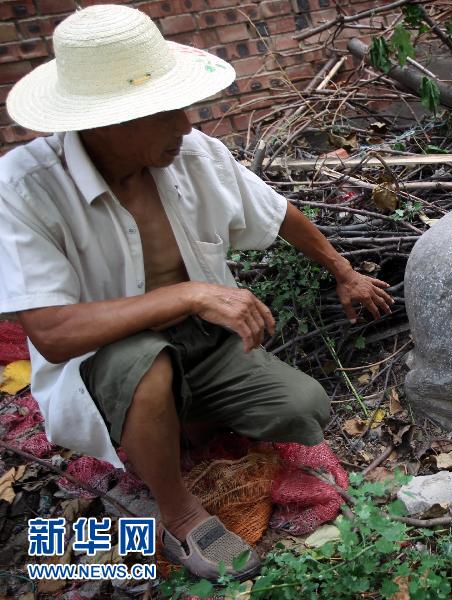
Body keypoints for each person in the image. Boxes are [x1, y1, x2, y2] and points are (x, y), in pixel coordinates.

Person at [0, 4, 392, 580]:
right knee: (144, 362)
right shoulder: (24, 188)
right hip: (106, 361)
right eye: (169, 112)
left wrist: (344, 271)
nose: (186, 125)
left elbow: (275, 211)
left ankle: (179, 423)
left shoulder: (194, 155)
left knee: (301, 407)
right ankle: (179, 514)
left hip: (202, 343)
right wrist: (185, 295)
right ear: (110, 121)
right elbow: (53, 334)